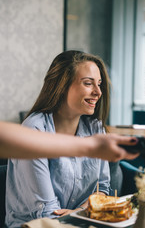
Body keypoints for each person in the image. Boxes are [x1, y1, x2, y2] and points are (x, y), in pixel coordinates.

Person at [5, 50, 121, 227]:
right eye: (88, 83)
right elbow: (48, 213)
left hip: (81, 222)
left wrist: (78, 212)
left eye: (99, 84)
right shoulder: (35, 129)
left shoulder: (95, 128)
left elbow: (103, 189)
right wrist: (84, 213)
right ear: (62, 85)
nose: (98, 92)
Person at [0, 121, 139, 161]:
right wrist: (93, 146)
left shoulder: (94, 125)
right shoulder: (35, 125)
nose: (98, 92)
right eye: (88, 83)